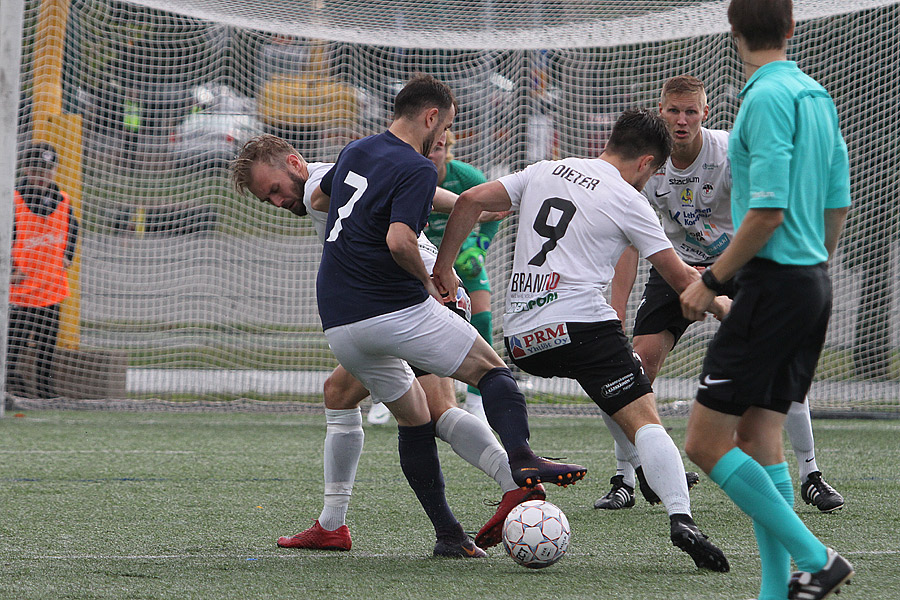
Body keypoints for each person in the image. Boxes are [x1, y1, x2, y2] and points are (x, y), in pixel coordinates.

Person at [434, 108, 729, 573]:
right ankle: (681, 517)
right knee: (644, 415)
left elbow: (469, 199)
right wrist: (727, 308)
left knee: (607, 386)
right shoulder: (631, 201)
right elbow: (678, 277)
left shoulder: (544, 170)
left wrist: (443, 268)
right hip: (583, 327)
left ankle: (639, 471)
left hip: (524, 338)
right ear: (647, 163)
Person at [229, 133, 545, 553]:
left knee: (432, 410)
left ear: (293, 162)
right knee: (343, 393)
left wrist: (470, 206)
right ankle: (337, 525)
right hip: (402, 299)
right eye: (264, 199)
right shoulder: (332, 179)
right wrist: (465, 204)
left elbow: (364, 189)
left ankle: (513, 483)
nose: (276, 201)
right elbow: (411, 188)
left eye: (273, 189)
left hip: (422, 296)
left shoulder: (318, 182)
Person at [596, 75, 844, 514]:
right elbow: (630, 241)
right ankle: (627, 474)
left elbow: (766, 215)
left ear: (705, 115)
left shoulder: (729, 153)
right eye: (673, 111)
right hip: (677, 269)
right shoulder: (647, 164)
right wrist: (616, 308)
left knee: (779, 362)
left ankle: (811, 473)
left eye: (691, 111)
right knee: (632, 364)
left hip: (739, 266)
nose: (681, 120)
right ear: (661, 112)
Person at [679, 1, 853, 598]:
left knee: (704, 444)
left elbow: (768, 210)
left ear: (732, 32)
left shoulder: (764, 99)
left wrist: (712, 280)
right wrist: (813, 267)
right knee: (760, 439)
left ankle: (814, 557)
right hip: (811, 284)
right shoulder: (817, 97)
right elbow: (836, 205)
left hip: (774, 284)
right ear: (791, 28)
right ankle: (776, 592)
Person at [367, 129, 496, 425]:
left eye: (439, 148)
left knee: (483, 319)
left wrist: (478, 247)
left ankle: (478, 399)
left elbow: (494, 210)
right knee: (393, 325)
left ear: (447, 150)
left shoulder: (466, 176)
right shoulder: (404, 174)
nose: (433, 154)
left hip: (459, 259)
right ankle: (389, 395)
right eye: (429, 148)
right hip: (416, 259)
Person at [6, 142, 79, 402]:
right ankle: (10, 386)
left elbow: (73, 230)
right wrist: (11, 270)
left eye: (47, 171)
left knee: (47, 348)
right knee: (13, 346)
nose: (42, 177)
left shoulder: (63, 200)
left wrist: (67, 257)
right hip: (20, 292)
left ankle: (45, 391)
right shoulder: (12, 199)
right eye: (36, 170)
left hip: (51, 288)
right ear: (25, 170)